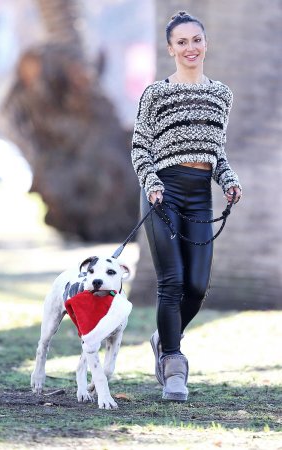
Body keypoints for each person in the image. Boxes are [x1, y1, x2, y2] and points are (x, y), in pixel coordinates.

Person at [131, 11, 242, 402]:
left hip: (199, 194)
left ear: (205, 43)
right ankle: (173, 366)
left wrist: (228, 180)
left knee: (196, 287)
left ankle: (164, 337)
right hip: (163, 190)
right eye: (182, 42)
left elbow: (216, 151)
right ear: (170, 49)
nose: (190, 48)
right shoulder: (155, 94)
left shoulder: (221, 95)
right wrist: (152, 183)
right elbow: (140, 146)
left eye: (196, 40)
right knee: (172, 281)